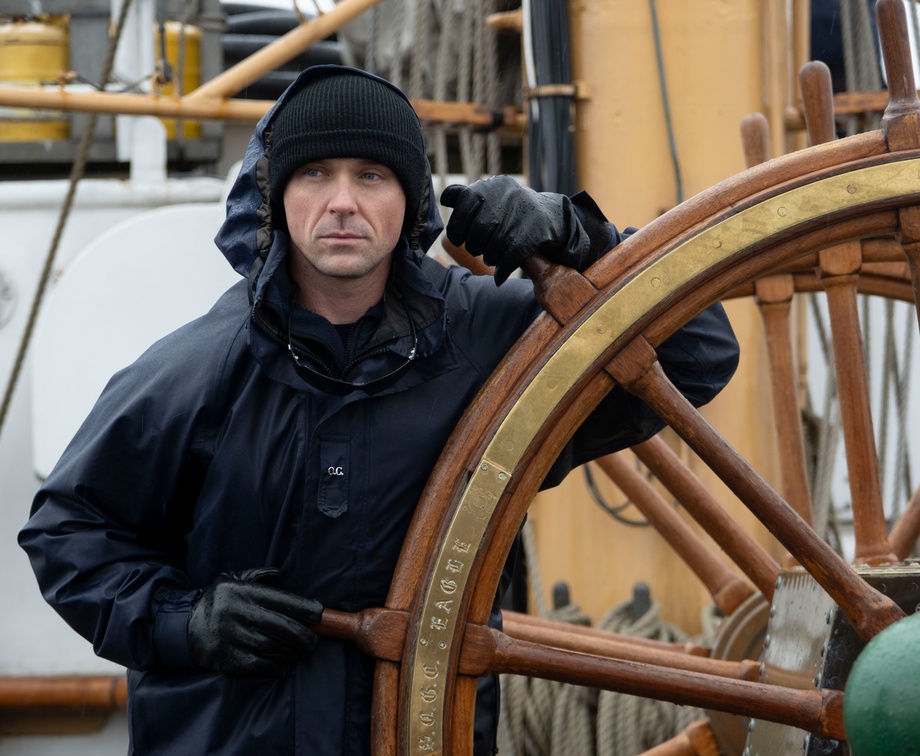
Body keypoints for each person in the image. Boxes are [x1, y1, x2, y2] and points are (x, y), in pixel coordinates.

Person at [19, 65, 739, 755]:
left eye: (371, 175)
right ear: (276, 197)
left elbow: (696, 353)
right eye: (314, 174)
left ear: (411, 200)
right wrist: (188, 621)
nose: (342, 202)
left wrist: (583, 238)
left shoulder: (495, 346)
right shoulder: (193, 373)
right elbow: (69, 533)